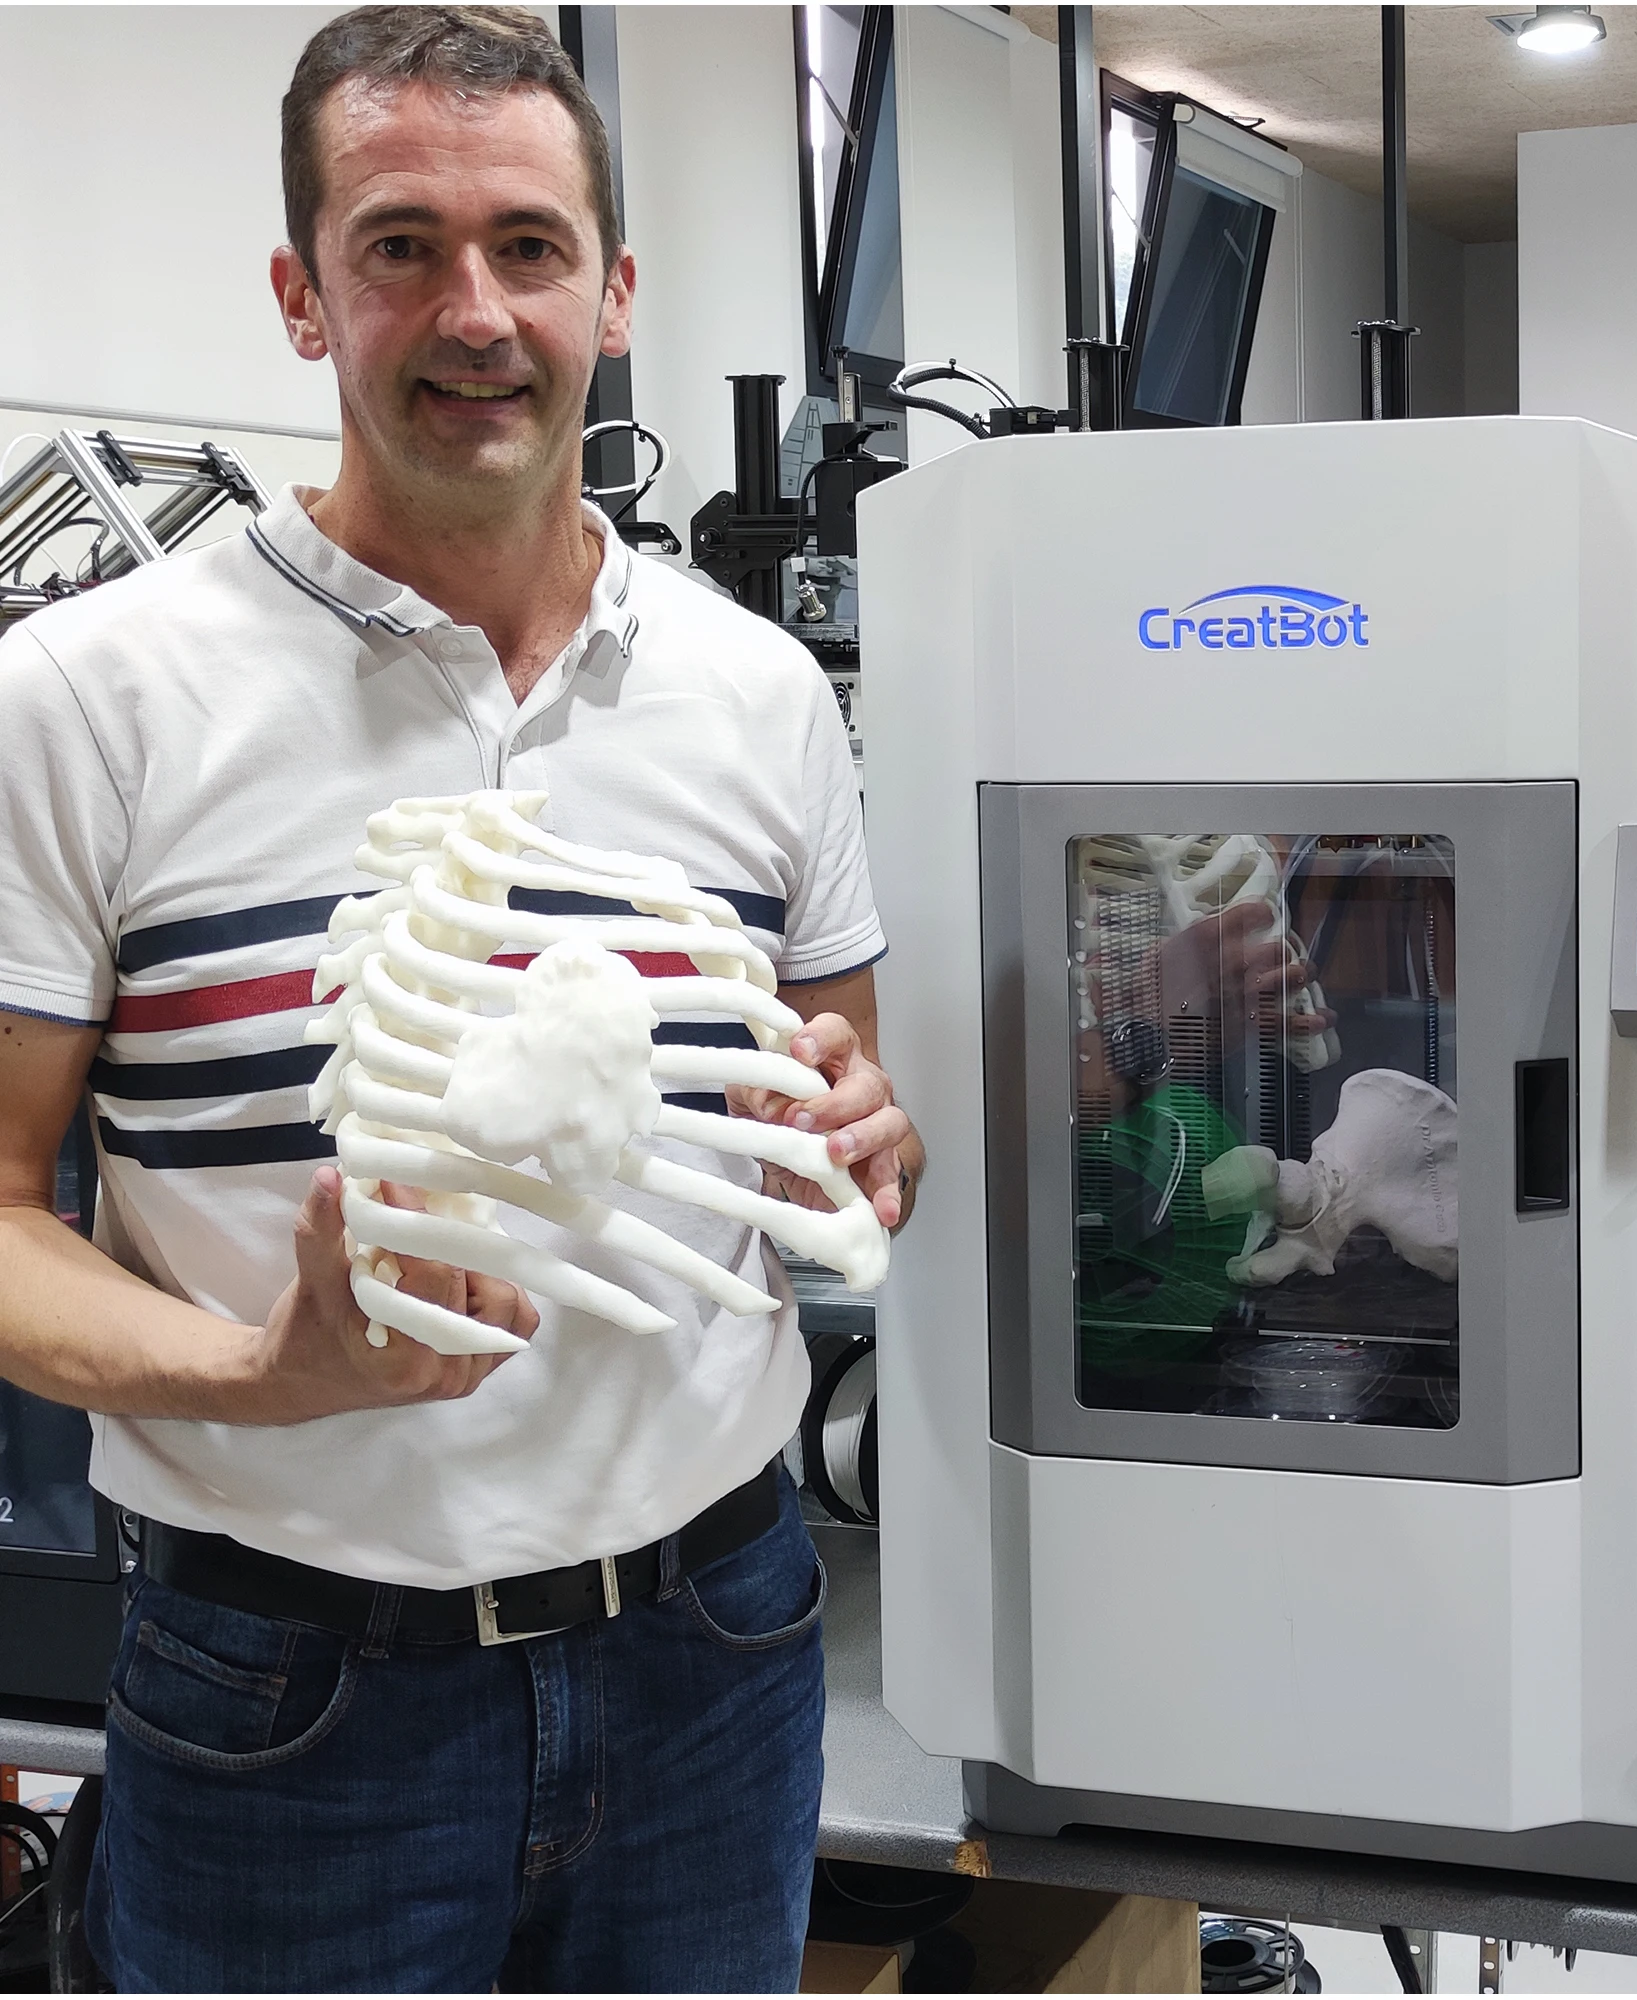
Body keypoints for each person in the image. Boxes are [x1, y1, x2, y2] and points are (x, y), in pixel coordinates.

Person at [0, 7, 921, 1988]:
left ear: (613, 292)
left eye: (527, 247)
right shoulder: (87, 699)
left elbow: (847, 1111)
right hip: (291, 1689)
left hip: (717, 1653)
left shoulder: (758, 695)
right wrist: (265, 1370)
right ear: (302, 295)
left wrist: (868, 1140)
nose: (476, 312)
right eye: (400, 246)